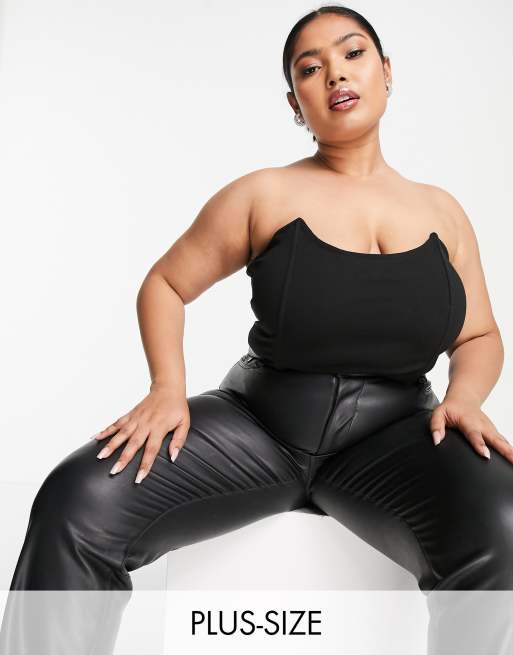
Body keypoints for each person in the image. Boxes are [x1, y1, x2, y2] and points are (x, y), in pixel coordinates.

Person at [1, 5, 512, 655]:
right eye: (310, 68)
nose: (335, 74)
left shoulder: (444, 212)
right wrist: (166, 388)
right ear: (296, 104)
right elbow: (165, 284)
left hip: (393, 442)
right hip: (257, 430)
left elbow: (478, 335)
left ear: (386, 71)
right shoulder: (261, 194)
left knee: (503, 518)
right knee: (76, 499)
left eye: (352, 54)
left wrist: (464, 397)